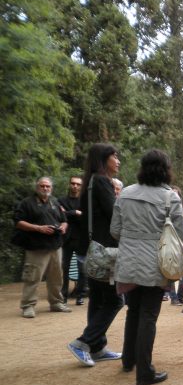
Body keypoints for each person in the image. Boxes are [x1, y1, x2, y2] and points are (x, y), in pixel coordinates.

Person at [111, 149, 183, 385]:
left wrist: (132, 240)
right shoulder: (169, 198)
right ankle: (144, 372)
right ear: (166, 170)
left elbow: (114, 230)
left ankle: (128, 360)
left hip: (128, 261)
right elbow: (180, 234)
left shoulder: (125, 193)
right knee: (148, 316)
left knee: (133, 311)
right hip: (156, 263)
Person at [67, 143, 124, 366]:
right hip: (105, 252)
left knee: (98, 299)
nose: (118, 160)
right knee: (115, 300)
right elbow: (115, 216)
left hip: (91, 250)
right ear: (104, 159)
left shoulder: (90, 182)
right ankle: (83, 342)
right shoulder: (101, 181)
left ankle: (97, 347)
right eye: (114, 156)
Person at [13, 177, 71, 318]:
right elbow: (18, 222)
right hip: (36, 247)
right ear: (37, 187)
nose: (45, 188)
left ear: (51, 188)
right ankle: (28, 305)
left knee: (56, 277)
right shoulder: (27, 203)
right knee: (32, 277)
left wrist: (63, 227)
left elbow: (64, 220)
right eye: (42, 186)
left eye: (48, 186)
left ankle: (56, 303)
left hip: (55, 246)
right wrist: (39, 228)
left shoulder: (55, 202)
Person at [58, 176, 86, 305]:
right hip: (67, 239)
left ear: (81, 186)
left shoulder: (85, 201)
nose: (75, 186)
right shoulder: (61, 200)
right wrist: (75, 212)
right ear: (69, 185)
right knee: (65, 267)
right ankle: (63, 295)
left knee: (82, 269)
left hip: (82, 239)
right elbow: (60, 216)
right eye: (73, 183)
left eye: (78, 184)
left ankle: (80, 294)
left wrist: (68, 213)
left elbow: (86, 217)